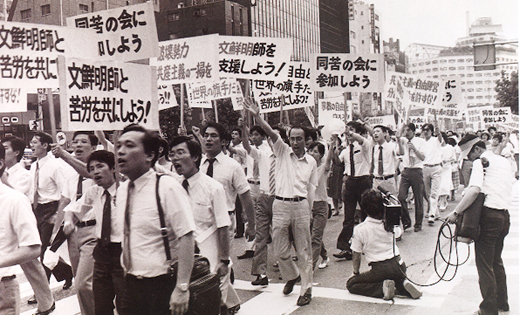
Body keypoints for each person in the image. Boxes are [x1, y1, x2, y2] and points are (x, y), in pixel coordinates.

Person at [116, 124, 195, 315]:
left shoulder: (167, 187)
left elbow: (187, 236)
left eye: (129, 145)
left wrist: (182, 287)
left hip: (163, 285)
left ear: (149, 156)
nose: (120, 152)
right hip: (131, 284)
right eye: (119, 146)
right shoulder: (122, 191)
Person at [244, 98, 317, 307]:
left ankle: (306, 288)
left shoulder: (311, 161)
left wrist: (309, 211)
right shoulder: (283, 151)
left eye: (299, 139)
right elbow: (272, 133)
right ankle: (291, 275)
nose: (295, 142)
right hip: (281, 205)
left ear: (306, 140)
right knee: (280, 249)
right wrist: (258, 116)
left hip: (301, 206)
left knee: (303, 250)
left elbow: (311, 188)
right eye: (292, 138)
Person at [447, 134, 514, 315]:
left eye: (469, 155)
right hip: (504, 216)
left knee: (484, 264)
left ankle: (488, 309)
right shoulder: (504, 162)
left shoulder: (480, 163)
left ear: (477, 149)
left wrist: (456, 212)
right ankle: (502, 302)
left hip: (489, 216)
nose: (469, 160)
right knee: (495, 261)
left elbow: (475, 190)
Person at [170, 136, 229, 314]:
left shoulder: (213, 188)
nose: (175, 158)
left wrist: (224, 261)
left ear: (195, 157)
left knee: (209, 304)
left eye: (181, 153)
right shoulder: (172, 187)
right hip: (182, 259)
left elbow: (223, 226)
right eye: (172, 154)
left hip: (209, 258)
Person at [1, 136, 55, 315]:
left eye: (7, 148)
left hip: (32, 215)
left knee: (32, 257)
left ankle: (46, 301)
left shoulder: (22, 176)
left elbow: (18, 197)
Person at [69, 150, 125, 315]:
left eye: (100, 166)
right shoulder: (94, 192)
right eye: (92, 168)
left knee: (124, 303)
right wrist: (69, 221)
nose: (95, 172)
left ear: (113, 168)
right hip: (102, 252)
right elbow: (74, 209)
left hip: (122, 251)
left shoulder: (126, 190)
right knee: (101, 304)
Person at [346, 189, 422, 300]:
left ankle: (382, 288)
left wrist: (355, 273)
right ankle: (402, 284)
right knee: (396, 277)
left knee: (351, 284)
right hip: (399, 264)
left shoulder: (360, 229)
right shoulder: (389, 224)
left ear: (365, 209)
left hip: (380, 269)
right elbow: (399, 232)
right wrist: (396, 214)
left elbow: (356, 255)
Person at [54, 131, 98, 315]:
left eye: (83, 142)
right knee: (79, 280)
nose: (77, 145)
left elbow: (89, 171)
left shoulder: (101, 170)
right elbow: (65, 202)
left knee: (83, 283)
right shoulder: (71, 176)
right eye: (75, 142)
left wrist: (64, 155)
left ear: (94, 147)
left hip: (93, 231)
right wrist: (57, 230)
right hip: (73, 233)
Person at [29, 132, 73, 287]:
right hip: (37, 210)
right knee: (43, 248)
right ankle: (67, 272)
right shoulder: (34, 165)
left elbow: (65, 192)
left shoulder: (55, 165)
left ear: (45, 145)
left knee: (41, 250)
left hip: (52, 209)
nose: (31, 145)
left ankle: (42, 291)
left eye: (35, 142)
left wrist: (58, 214)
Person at [239, 123, 275, 286]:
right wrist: (243, 130)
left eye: (257, 134)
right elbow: (246, 147)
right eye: (252, 135)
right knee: (261, 237)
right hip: (263, 197)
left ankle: (292, 269)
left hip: (281, 200)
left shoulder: (285, 155)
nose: (254, 137)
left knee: (285, 237)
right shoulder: (261, 154)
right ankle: (261, 274)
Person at [334, 121, 373, 260]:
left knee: (366, 216)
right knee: (348, 217)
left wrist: (353, 135)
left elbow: (362, 140)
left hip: (363, 181)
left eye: (352, 130)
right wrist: (335, 149)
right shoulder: (345, 150)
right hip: (350, 183)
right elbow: (338, 162)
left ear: (358, 132)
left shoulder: (365, 145)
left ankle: (368, 245)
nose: (348, 133)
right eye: (347, 131)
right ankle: (346, 247)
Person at [308, 141, 333, 269]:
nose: (312, 154)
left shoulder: (323, 168)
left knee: (315, 237)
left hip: (321, 205)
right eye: (311, 150)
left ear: (321, 155)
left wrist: (332, 145)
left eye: (316, 152)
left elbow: (328, 161)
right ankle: (324, 255)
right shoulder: (305, 167)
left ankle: (310, 268)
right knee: (312, 235)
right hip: (307, 205)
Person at [397, 123, 426, 232]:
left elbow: (423, 157)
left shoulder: (420, 142)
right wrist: (399, 140)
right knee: (401, 196)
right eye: (404, 130)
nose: (406, 132)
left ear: (413, 131)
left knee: (418, 198)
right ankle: (406, 221)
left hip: (417, 171)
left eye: (408, 130)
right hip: (406, 170)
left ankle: (418, 223)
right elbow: (400, 153)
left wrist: (414, 149)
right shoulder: (402, 141)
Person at [420, 123, 443, 225]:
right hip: (425, 168)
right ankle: (436, 212)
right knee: (428, 193)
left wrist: (439, 133)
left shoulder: (435, 140)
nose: (425, 132)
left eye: (428, 130)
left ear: (431, 131)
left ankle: (431, 215)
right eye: (424, 130)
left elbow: (440, 139)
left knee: (434, 193)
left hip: (436, 168)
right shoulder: (421, 142)